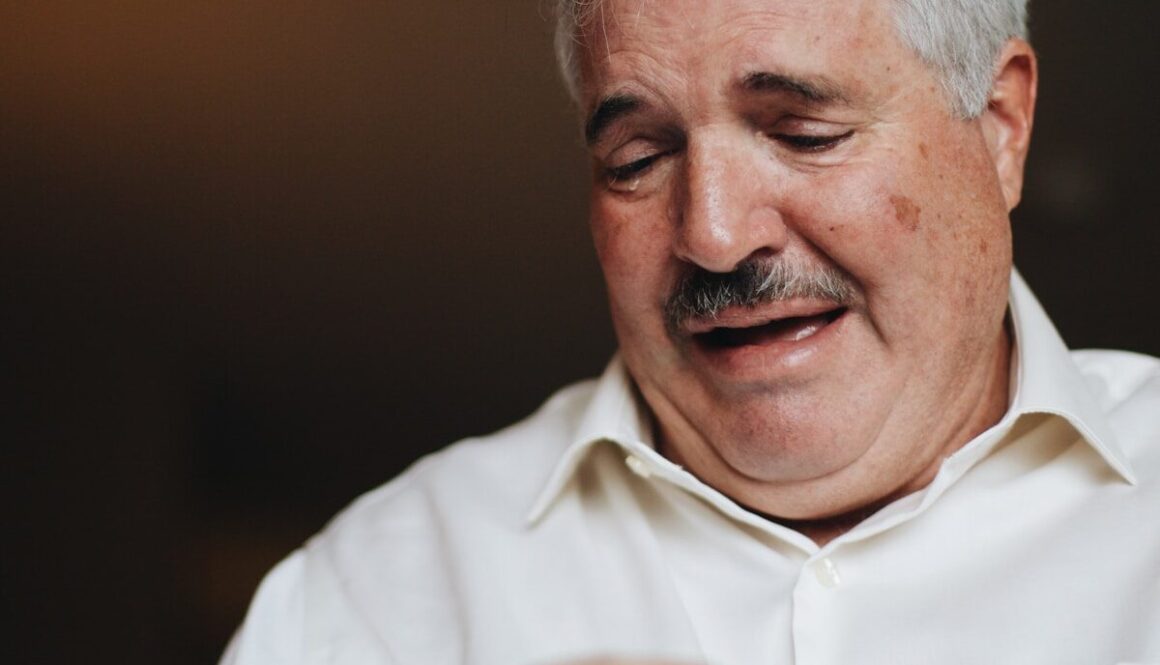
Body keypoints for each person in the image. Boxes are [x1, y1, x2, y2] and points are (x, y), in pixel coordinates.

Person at [221, 0, 1160, 663]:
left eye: (803, 132)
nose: (712, 233)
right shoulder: (368, 603)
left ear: (1000, 126)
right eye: (639, 158)